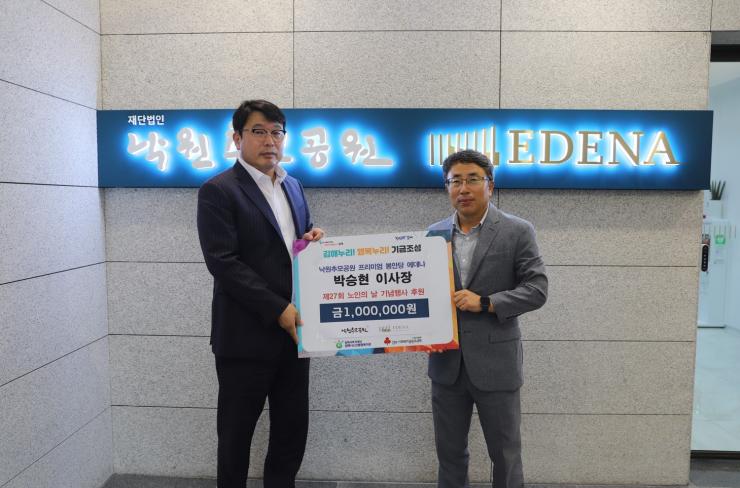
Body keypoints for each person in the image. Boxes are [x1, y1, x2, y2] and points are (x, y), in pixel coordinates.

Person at [197, 99, 323, 488]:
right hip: (244, 339)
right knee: (235, 438)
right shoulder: (218, 190)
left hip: (294, 335)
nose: (270, 140)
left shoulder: (293, 185)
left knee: (291, 433)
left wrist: (312, 241)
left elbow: (291, 246)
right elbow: (223, 262)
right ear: (237, 138)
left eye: (276, 132)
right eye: (258, 131)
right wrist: (278, 309)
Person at [428, 149, 547, 488]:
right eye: (455, 181)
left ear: (490, 185)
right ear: (447, 187)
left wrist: (485, 303)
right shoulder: (432, 234)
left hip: (497, 364)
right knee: (449, 455)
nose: (463, 188)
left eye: (472, 179)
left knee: (505, 455)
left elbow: (537, 289)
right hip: (446, 364)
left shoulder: (517, 231)